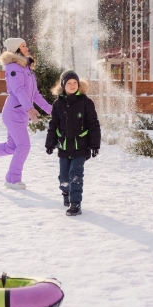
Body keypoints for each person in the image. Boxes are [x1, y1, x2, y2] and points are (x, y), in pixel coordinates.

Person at [0, 38, 52, 190]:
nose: (27, 48)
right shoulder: (14, 68)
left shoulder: (26, 68)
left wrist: (51, 110)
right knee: (24, 146)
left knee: (12, 147)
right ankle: (13, 179)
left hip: (20, 113)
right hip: (14, 112)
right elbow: (18, 91)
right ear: (16, 50)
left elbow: (35, 95)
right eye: (23, 46)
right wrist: (30, 109)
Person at [45, 70, 101, 216]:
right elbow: (53, 125)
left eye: (75, 82)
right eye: (68, 83)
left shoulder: (86, 102)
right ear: (63, 85)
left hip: (81, 147)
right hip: (64, 147)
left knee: (75, 174)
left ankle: (75, 204)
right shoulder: (58, 104)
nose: (72, 85)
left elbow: (94, 124)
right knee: (64, 176)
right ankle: (66, 192)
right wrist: (50, 143)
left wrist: (95, 145)